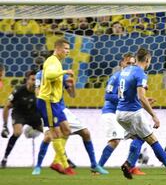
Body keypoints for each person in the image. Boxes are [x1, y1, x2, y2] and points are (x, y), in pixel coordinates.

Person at [116, 47, 166, 180]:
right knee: (152, 140)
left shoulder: (125, 71)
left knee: (140, 138)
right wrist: (154, 115)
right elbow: (141, 97)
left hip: (120, 113)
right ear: (147, 60)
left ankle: (129, 164)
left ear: (136, 59)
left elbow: (123, 92)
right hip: (133, 114)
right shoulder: (141, 74)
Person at [32, 68, 108, 175]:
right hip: (47, 108)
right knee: (49, 136)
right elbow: (37, 93)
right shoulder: (40, 75)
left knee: (85, 133)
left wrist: (73, 84)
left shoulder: (61, 74)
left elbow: (72, 95)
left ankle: (93, 164)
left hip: (61, 109)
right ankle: (38, 167)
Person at [98, 53, 146, 175]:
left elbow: (130, 97)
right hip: (112, 113)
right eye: (128, 63)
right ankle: (97, 168)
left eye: (132, 63)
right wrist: (122, 97)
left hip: (123, 114)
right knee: (115, 140)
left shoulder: (131, 78)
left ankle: (131, 166)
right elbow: (107, 95)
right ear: (121, 63)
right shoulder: (116, 77)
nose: (130, 65)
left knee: (140, 137)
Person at [36, 38, 75, 175]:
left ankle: (56, 162)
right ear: (57, 48)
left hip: (56, 103)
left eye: (69, 49)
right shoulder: (52, 61)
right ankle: (64, 165)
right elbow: (49, 74)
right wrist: (65, 72)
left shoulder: (57, 62)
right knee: (56, 133)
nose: (67, 52)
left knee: (67, 130)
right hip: (47, 101)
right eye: (65, 48)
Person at [1, 70, 42, 168]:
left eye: (37, 80)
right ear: (27, 80)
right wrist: (5, 125)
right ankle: (5, 158)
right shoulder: (19, 91)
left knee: (51, 133)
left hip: (33, 114)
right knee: (17, 132)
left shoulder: (40, 92)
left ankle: (63, 158)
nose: (35, 82)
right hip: (19, 114)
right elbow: (7, 107)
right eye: (32, 80)